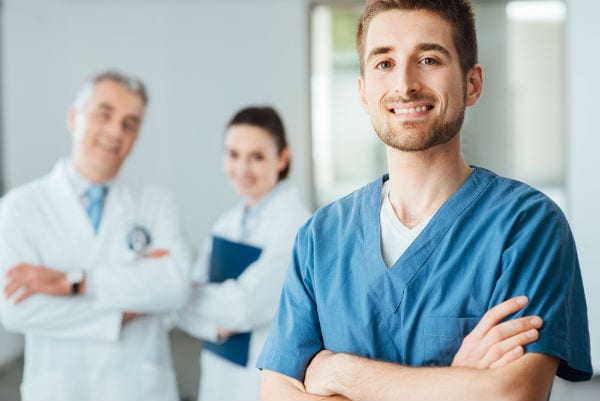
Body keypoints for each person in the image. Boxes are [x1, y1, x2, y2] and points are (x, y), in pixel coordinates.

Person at [257, 1, 592, 400]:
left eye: (429, 59)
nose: (405, 84)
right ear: (363, 91)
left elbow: (511, 395)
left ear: (472, 84)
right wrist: (458, 383)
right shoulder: (321, 236)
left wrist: (340, 371)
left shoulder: (527, 226)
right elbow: (275, 394)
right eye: (384, 64)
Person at [0, 70, 192, 401]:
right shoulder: (19, 207)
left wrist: (74, 283)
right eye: (104, 114)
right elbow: (17, 311)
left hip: (141, 389)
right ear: (74, 118)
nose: (116, 131)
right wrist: (124, 312)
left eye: (130, 123)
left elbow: (175, 286)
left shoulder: (157, 204)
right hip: (61, 388)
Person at [177, 106, 310, 401]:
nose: (242, 169)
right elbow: (179, 307)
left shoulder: (296, 226)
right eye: (233, 154)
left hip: (259, 382)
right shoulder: (226, 223)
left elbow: (241, 307)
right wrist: (215, 322)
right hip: (216, 378)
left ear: (282, 158)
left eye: (257, 157)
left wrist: (192, 297)